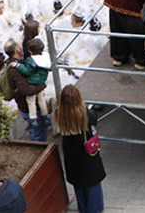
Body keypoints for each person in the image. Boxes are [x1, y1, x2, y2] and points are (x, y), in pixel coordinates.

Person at [54, 85, 106, 213]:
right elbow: (94, 119)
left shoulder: (59, 113)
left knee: (79, 187)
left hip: (71, 154)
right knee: (93, 189)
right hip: (86, 154)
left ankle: (83, 209)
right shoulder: (84, 113)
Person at [3, 39, 49, 142]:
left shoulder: (16, 63)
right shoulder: (15, 70)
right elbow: (26, 90)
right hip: (28, 106)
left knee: (38, 130)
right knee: (37, 133)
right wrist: (42, 85)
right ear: (18, 50)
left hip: (26, 104)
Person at [15, 38, 50, 122]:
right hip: (41, 82)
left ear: (30, 51)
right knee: (41, 100)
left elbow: (27, 71)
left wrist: (18, 66)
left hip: (32, 83)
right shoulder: (45, 58)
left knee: (31, 101)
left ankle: (33, 117)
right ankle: (45, 116)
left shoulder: (31, 61)